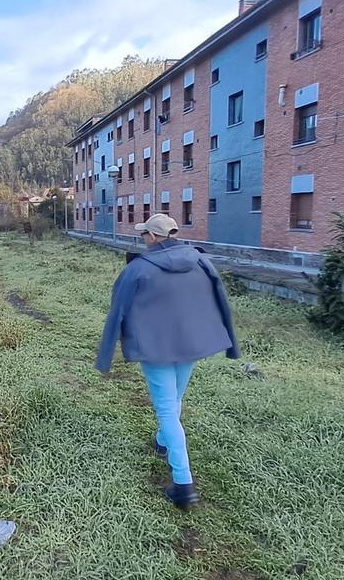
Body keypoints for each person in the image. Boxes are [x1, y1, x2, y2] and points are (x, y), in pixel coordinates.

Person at [95, 213, 239, 509]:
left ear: (153, 236)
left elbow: (117, 308)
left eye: (144, 234)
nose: (143, 239)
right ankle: (162, 442)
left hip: (155, 346)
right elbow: (220, 298)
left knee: (166, 408)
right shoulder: (201, 262)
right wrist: (230, 340)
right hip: (191, 344)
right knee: (174, 401)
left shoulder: (138, 269)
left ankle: (183, 484)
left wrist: (106, 354)